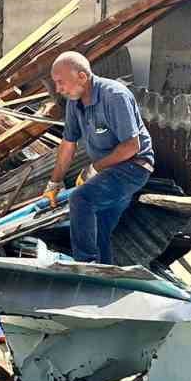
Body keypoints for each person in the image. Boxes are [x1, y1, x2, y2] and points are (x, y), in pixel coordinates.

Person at [44, 51, 155, 265]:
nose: (58, 89)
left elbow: (132, 146)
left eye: (61, 82)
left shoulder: (114, 96)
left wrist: (94, 168)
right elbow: (68, 145)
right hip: (109, 172)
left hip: (134, 167)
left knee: (81, 199)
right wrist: (54, 183)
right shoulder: (74, 103)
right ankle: (103, 274)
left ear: (82, 76)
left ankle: (85, 266)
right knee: (100, 227)